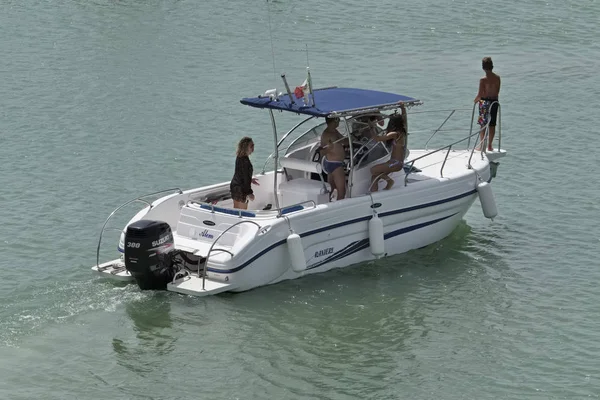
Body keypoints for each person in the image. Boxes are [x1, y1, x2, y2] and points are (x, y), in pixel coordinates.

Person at [369, 103, 408, 192]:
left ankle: (389, 181)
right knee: (375, 176)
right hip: (395, 162)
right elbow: (404, 118)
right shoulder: (402, 132)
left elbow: (377, 139)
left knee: (372, 170)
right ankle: (374, 193)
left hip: (395, 163)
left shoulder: (395, 134)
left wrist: (371, 127)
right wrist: (403, 108)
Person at [474, 57, 501, 151]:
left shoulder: (483, 80)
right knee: (492, 124)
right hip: (494, 102)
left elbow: (480, 94)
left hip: (485, 102)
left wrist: (475, 101)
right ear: (492, 66)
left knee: (483, 124)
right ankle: (489, 145)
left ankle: (482, 146)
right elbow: (497, 91)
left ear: (483, 67)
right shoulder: (497, 78)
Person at [320, 116, 349, 201]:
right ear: (334, 120)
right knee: (342, 192)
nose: (339, 121)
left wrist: (352, 138)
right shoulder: (327, 134)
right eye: (338, 119)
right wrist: (329, 148)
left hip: (331, 163)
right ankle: (340, 210)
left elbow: (344, 141)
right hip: (335, 164)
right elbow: (321, 152)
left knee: (331, 188)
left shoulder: (334, 132)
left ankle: (326, 204)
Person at [230, 137, 259, 209]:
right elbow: (245, 178)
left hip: (235, 186)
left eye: (253, 145)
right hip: (241, 189)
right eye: (251, 146)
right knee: (243, 213)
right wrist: (249, 193)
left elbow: (240, 173)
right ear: (245, 147)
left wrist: (250, 179)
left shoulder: (239, 157)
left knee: (236, 211)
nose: (253, 148)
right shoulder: (245, 161)